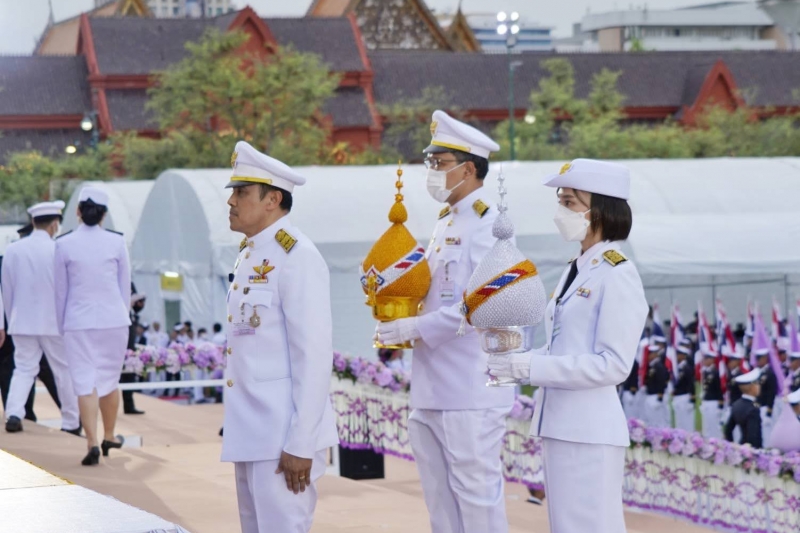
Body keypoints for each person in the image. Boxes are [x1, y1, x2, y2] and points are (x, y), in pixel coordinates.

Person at [487, 158, 648, 533]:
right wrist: (518, 359)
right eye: (561, 201)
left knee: (590, 526)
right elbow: (565, 347)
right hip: (561, 423)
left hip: (589, 428)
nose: (561, 212)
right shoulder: (577, 267)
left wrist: (530, 368)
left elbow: (612, 364)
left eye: (570, 202)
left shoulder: (617, 273)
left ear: (601, 211)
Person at [375, 111, 514, 533]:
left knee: (477, 503)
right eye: (431, 163)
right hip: (433, 385)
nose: (431, 172)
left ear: (468, 169)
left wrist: (412, 329)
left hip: (470, 388)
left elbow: (485, 302)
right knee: (440, 504)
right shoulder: (446, 223)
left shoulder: (491, 224)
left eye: (440, 164)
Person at [222, 141, 338, 533]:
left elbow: (315, 355)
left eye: (241, 192)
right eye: (233, 192)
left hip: (283, 435)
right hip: (252, 429)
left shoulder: (297, 256)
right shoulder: (251, 253)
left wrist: (301, 442)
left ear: (272, 199)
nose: (231, 202)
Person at [54, 187, 130, 466]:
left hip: (78, 320)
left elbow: (60, 291)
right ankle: (110, 434)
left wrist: (62, 324)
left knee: (85, 382)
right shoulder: (117, 242)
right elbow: (124, 286)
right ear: (104, 215)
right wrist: (124, 316)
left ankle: (92, 442)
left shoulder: (63, 244)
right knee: (110, 380)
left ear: (77, 211)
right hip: (114, 320)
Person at [2, 201, 81, 435]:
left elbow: (7, 290)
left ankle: (14, 414)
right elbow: (67, 289)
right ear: (54, 225)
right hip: (54, 322)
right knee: (63, 370)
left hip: (21, 321)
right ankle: (70, 421)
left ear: (34, 222)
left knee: (23, 368)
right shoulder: (59, 249)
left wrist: (10, 318)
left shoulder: (14, 250)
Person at [724, 368, 763, 448]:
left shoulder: (737, 404)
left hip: (742, 447)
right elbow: (753, 436)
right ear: (752, 387)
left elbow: (728, 430)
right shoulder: (753, 409)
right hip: (752, 451)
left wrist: (731, 447)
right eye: (757, 384)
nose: (759, 386)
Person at [122, 285, 146, 415]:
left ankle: (129, 405)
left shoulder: (133, 315)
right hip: (118, 347)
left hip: (130, 349)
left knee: (129, 376)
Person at [644, 342, 670, 428]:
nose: (648, 356)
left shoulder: (658, 366)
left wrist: (660, 397)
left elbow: (661, 381)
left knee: (657, 421)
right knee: (651, 420)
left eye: (649, 354)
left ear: (654, 354)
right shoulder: (651, 366)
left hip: (656, 396)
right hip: (650, 395)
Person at [700, 349, 724, 439]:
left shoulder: (716, 373)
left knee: (714, 426)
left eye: (706, 359)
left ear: (711, 360)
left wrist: (720, 405)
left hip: (714, 402)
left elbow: (720, 389)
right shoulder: (706, 372)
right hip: (707, 401)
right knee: (707, 426)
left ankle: (717, 443)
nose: (704, 361)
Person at [672, 343, 696, 432]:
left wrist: (692, 400)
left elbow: (691, 383)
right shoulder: (677, 368)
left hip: (684, 396)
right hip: (677, 396)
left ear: (683, 356)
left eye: (678, 354)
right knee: (679, 422)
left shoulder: (687, 368)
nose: (677, 356)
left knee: (686, 422)